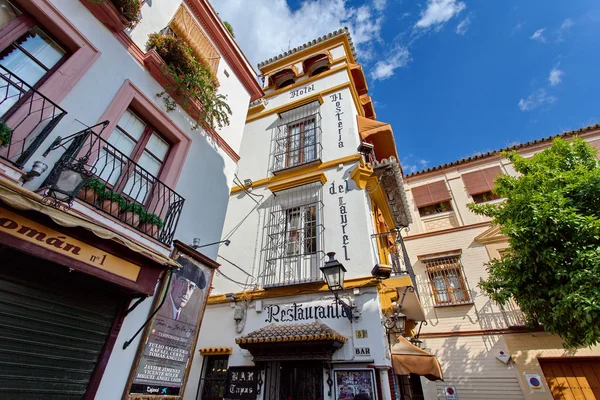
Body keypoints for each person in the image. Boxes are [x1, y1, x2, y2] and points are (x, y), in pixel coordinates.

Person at [159, 256, 206, 324]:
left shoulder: (185, 320)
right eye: (183, 282)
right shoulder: (161, 308)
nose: (186, 291)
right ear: (174, 281)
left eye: (191, 287)